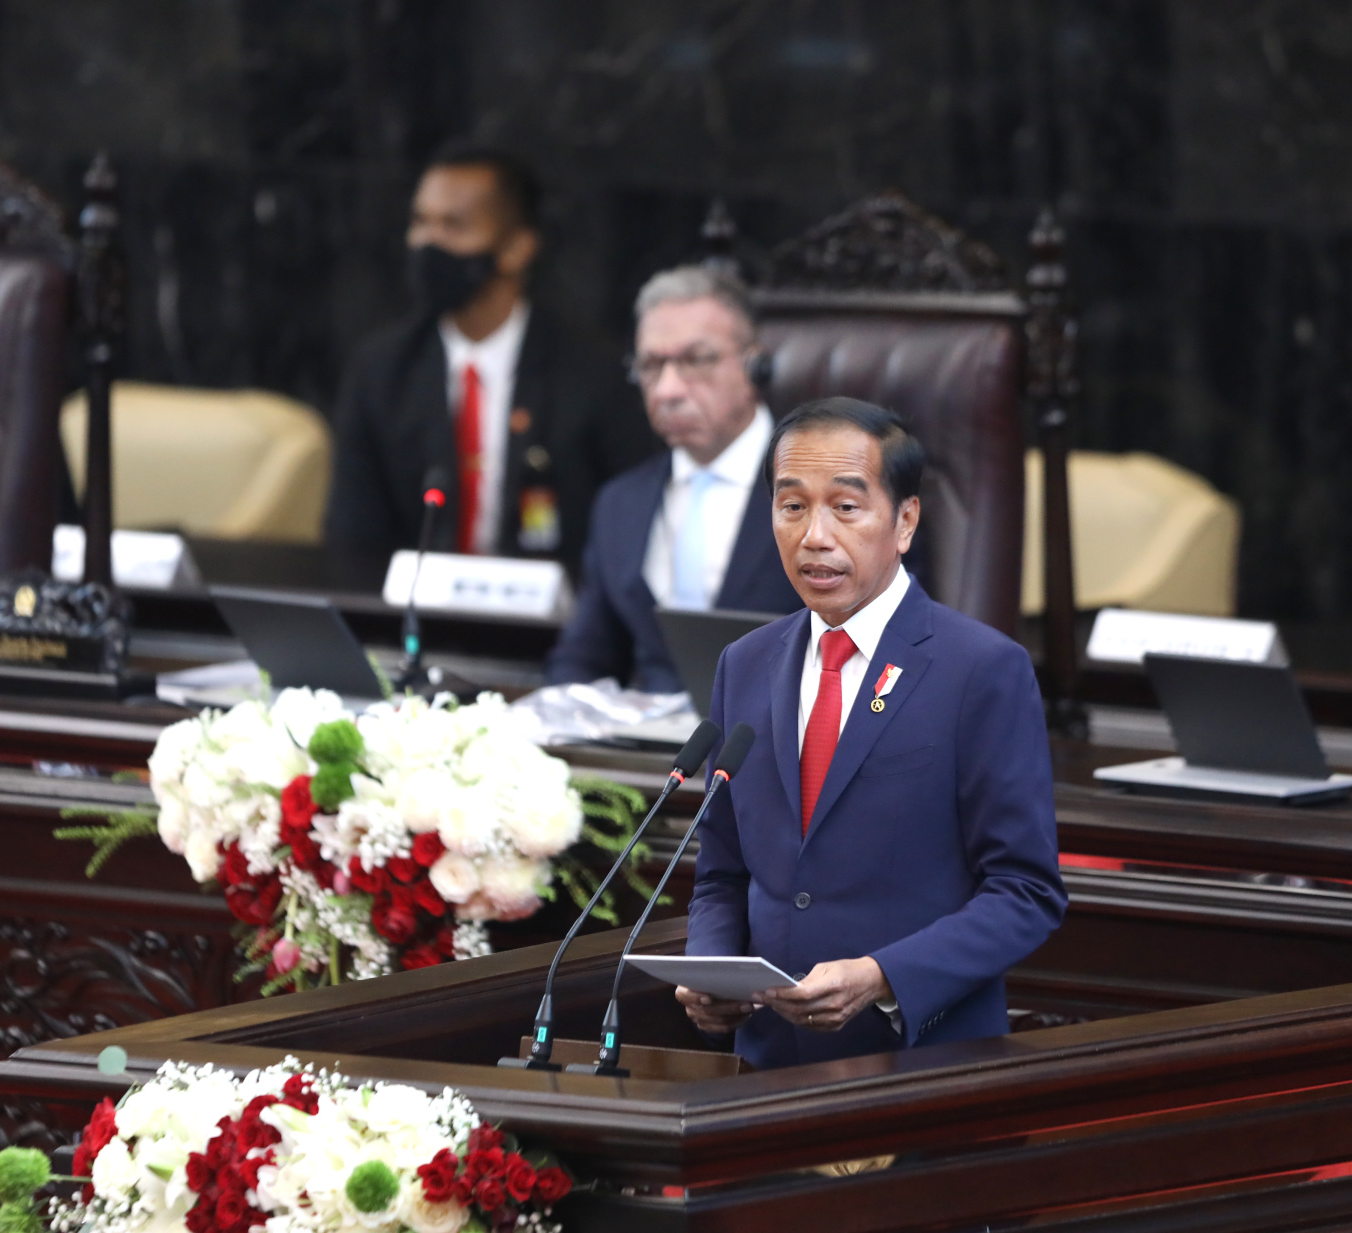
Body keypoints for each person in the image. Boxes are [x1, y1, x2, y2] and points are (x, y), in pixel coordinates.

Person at [676, 397, 1066, 1069]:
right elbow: (722, 875)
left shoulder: (981, 670)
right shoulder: (745, 664)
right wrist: (711, 969)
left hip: (922, 1065)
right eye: (791, 506)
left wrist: (883, 976)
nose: (815, 536)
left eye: (846, 508)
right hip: (765, 1069)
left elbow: (1025, 892)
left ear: (905, 520)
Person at [323, 142, 652, 566]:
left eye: (453, 226)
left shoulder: (592, 373)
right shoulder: (382, 369)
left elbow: (627, 528)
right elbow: (352, 533)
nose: (427, 243)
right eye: (420, 222)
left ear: (517, 248)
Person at [543, 266, 801, 690]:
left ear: (757, 366)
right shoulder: (620, 503)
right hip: (649, 751)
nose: (667, 390)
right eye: (651, 365)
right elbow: (582, 658)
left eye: (696, 360)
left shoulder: (832, 495)